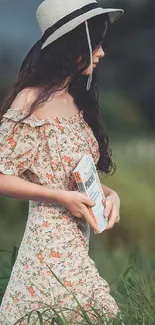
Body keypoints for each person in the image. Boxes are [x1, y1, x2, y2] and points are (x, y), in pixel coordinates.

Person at [0, 0, 124, 324]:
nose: (101, 53)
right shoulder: (29, 101)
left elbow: (70, 175)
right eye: (96, 43)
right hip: (47, 246)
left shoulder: (75, 98)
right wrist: (60, 197)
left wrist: (111, 195)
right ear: (73, 44)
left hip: (76, 245)